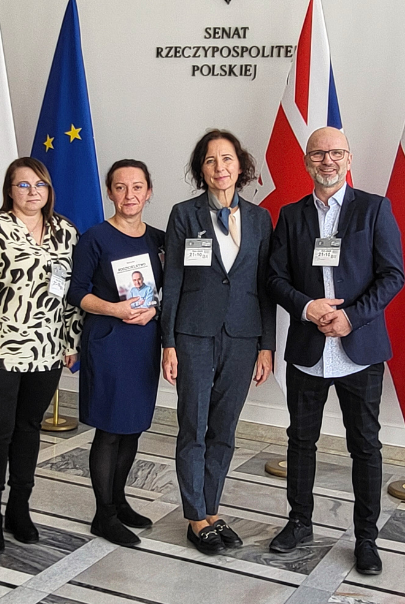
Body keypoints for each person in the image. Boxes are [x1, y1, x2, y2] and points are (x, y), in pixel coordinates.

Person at [266, 127, 405, 575]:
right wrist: (308, 308)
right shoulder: (291, 215)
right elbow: (274, 278)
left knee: (364, 445)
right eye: (318, 154)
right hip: (308, 348)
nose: (327, 160)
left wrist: (352, 317)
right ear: (307, 161)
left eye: (336, 153)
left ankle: (366, 538)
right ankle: (299, 522)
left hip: (358, 349)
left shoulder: (374, 209)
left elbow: (393, 275)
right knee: (300, 441)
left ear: (349, 158)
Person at [0, 157, 82, 555]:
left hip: (46, 351)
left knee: (28, 428)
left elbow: (71, 294)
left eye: (39, 184)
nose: (32, 192)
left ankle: (19, 508)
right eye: (23, 185)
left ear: (49, 190)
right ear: (9, 190)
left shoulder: (65, 232)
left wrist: (70, 341)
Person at [160, 129, 275, 555]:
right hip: (193, 334)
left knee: (224, 428)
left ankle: (211, 509)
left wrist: (267, 345)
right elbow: (173, 281)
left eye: (227, 159)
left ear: (240, 166)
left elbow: (265, 286)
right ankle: (195, 517)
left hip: (243, 336)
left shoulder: (261, 219)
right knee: (193, 424)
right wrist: (168, 342)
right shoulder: (183, 215)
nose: (219, 167)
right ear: (201, 169)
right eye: (210, 160)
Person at [68, 159, 163, 547]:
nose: (129, 195)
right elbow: (76, 292)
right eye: (120, 187)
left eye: (137, 187)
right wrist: (114, 308)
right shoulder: (95, 238)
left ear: (149, 192)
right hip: (108, 341)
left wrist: (156, 309)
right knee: (109, 430)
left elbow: (171, 289)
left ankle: (119, 501)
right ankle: (103, 515)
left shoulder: (159, 239)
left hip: (144, 344)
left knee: (132, 426)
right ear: (110, 192)